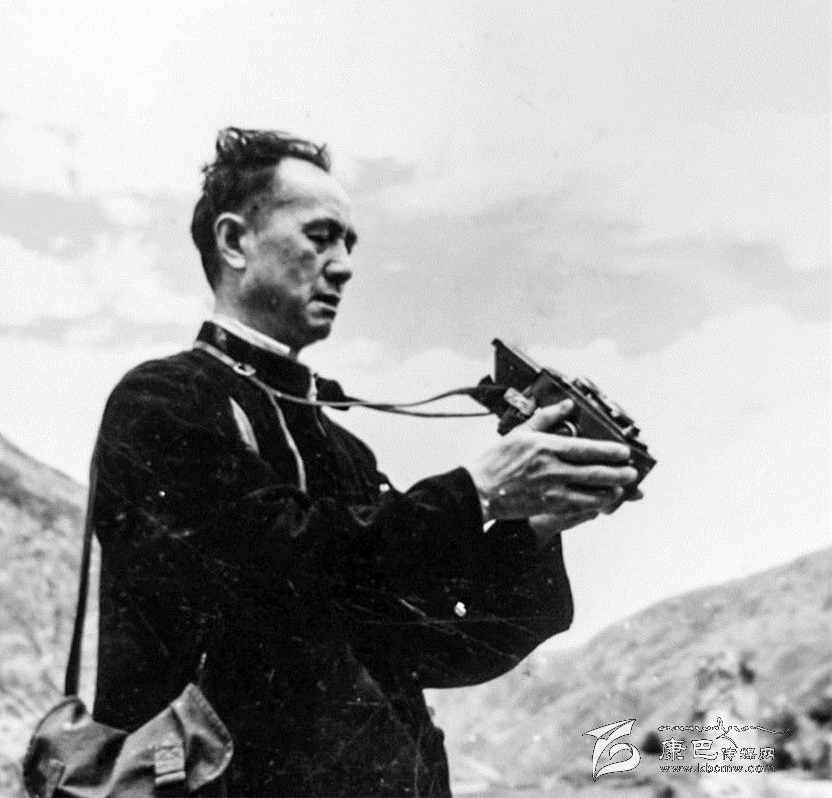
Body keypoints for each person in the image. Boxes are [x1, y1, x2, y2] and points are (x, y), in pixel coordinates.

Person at [90, 128, 640, 796]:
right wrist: (479, 492)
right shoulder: (162, 402)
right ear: (234, 242)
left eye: (349, 244)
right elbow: (276, 572)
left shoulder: (341, 445)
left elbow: (436, 645)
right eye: (320, 236)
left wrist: (535, 526)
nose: (344, 265)